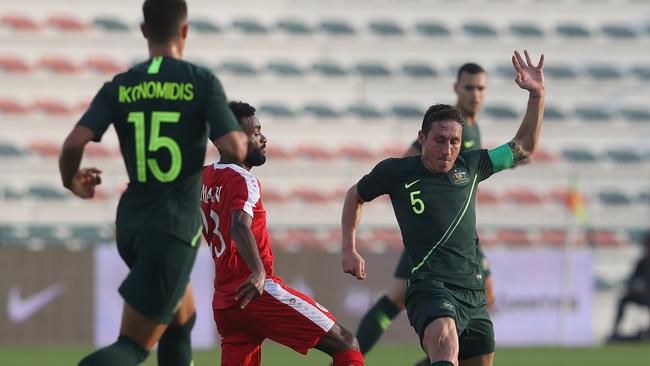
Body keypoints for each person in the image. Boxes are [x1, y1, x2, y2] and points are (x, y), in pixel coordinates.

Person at [58, 1, 247, 365]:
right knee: (131, 347)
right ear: (186, 31)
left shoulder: (120, 86)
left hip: (131, 226)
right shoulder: (201, 82)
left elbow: (73, 144)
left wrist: (73, 182)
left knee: (181, 320)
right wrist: (231, 136)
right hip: (172, 229)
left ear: (144, 31)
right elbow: (234, 148)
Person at [341, 50, 544, 366]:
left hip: (471, 289)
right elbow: (356, 195)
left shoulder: (474, 164)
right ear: (422, 137)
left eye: (454, 141)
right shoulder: (397, 171)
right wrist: (349, 248)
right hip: (430, 286)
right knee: (446, 346)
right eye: (439, 140)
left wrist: (537, 95)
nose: (447, 148)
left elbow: (525, 146)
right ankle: (350, 359)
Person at [201, 101, 364, 366]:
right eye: (255, 132)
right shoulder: (244, 180)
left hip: (226, 302)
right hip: (256, 291)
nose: (263, 138)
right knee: (347, 344)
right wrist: (258, 271)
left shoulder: (204, 178)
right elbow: (239, 224)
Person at [355, 63, 496, 363]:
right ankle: (348, 358)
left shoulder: (470, 126)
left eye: (480, 88)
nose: (474, 94)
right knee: (397, 302)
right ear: (456, 89)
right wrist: (417, 203)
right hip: (434, 239)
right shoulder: (452, 127)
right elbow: (411, 163)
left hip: (455, 232)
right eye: (468, 87)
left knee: (395, 302)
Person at [609, 232, 650, 341]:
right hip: (641, 295)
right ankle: (615, 330)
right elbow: (633, 279)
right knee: (623, 300)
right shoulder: (641, 263)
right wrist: (634, 288)